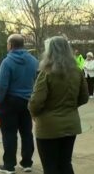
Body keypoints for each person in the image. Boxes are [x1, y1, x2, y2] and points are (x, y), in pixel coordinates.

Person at [29, 36, 89, 174]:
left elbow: (36, 101)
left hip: (48, 127)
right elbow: (84, 97)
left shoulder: (47, 73)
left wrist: (34, 114)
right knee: (65, 163)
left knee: (50, 166)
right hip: (71, 125)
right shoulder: (77, 71)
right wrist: (70, 107)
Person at [0, 34, 38, 174]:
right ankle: (27, 163)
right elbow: (37, 81)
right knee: (27, 133)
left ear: (11, 45)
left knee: (9, 134)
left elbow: (2, 85)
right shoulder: (33, 61)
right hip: (27, 101)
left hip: (10, 102)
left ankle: (9, 165)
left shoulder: (7, 62)